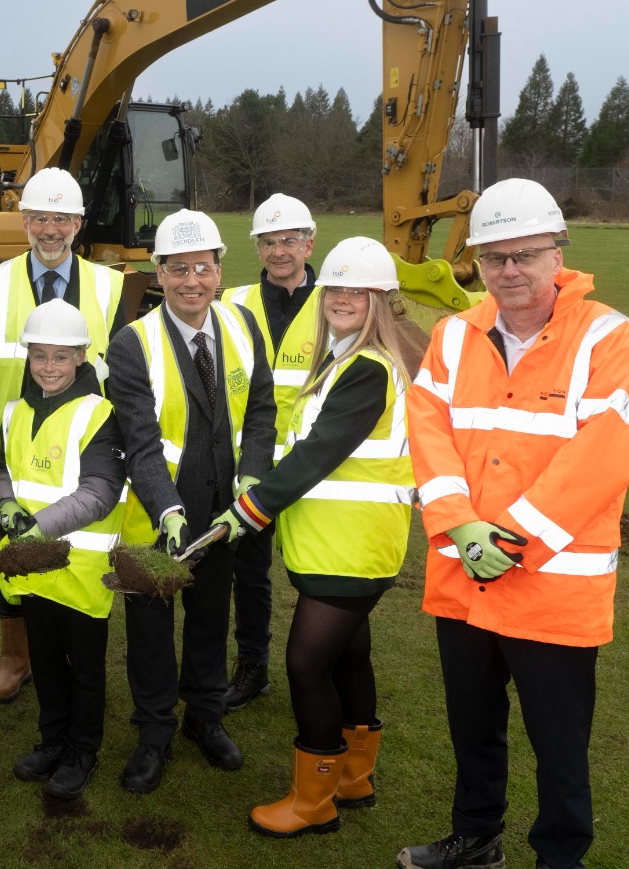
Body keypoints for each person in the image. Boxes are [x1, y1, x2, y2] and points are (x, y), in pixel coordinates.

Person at [399, 179, 629, 869]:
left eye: (525, 255)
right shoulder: (453, 336)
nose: (509, 271)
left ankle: (559, 859)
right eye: (493, 257)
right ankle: (475, 840)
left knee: (558, 745)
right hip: (465, 581)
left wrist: (509, 538)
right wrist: (455, 523)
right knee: (472, 731)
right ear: (477, 262)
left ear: (557, 253)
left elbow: (608, 452)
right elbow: (428, 433)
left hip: (552, 593)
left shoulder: (608, 336)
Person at [214, 237, 415, 838]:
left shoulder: (368, 371)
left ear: (380, 301)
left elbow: (317, 456)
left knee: (305, 665)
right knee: (349, 655)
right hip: (339, 544)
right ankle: (354, 777)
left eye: (359, 292)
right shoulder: (343, 361)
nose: (344, 300)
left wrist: (249, 507)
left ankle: (313, 800)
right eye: (337, 290)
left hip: (353, 547)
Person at [105, 209, 276, 794]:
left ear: (219, 270)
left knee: (210, 619)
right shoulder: (132, 343)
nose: (191, 282)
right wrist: (170, 512)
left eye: (202, 268)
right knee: (150, 630)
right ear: (158, 272)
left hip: (225, 513)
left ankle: (206, 717)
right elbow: (141, 441)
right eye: (178, 270)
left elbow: (260, 414)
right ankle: (154, 732)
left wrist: (252, 479)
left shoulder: (244, 327)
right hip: (158, 517)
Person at [0, 167, 127, 704]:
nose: (50, 228)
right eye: (40, 216)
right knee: (12, 548)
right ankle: (16, 660)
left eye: (61, 218)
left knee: (74, 545)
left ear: (78, 224)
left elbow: (121, 367)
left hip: (83, 439)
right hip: (14, 434)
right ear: (24, 222)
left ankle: (65, 652)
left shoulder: (109, 285)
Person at [0, 300, 128, 801]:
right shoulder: (14, 411)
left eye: (61, 358)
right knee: (46, 662)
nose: (49, 368)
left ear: (82, 357)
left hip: (80, 570)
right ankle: (53, 742)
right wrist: (4, 508)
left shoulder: (99, 413)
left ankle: (81, 751)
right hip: (34, 570)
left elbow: (100, 491)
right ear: (28, 356)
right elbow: (5, 470)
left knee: (85, 669)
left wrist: (35, 529)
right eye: (40, 356)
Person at [221, 193, 322, 710]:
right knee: (249, 571)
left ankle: (323, 663)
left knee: (317, 572)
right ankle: (252, 665)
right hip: (252, 463)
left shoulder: (338, 299)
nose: (279, 251)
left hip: (319, 465)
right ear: (257, 247)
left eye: (289, 240)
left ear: (310, 242)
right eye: (268, 242)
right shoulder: (234, 302)